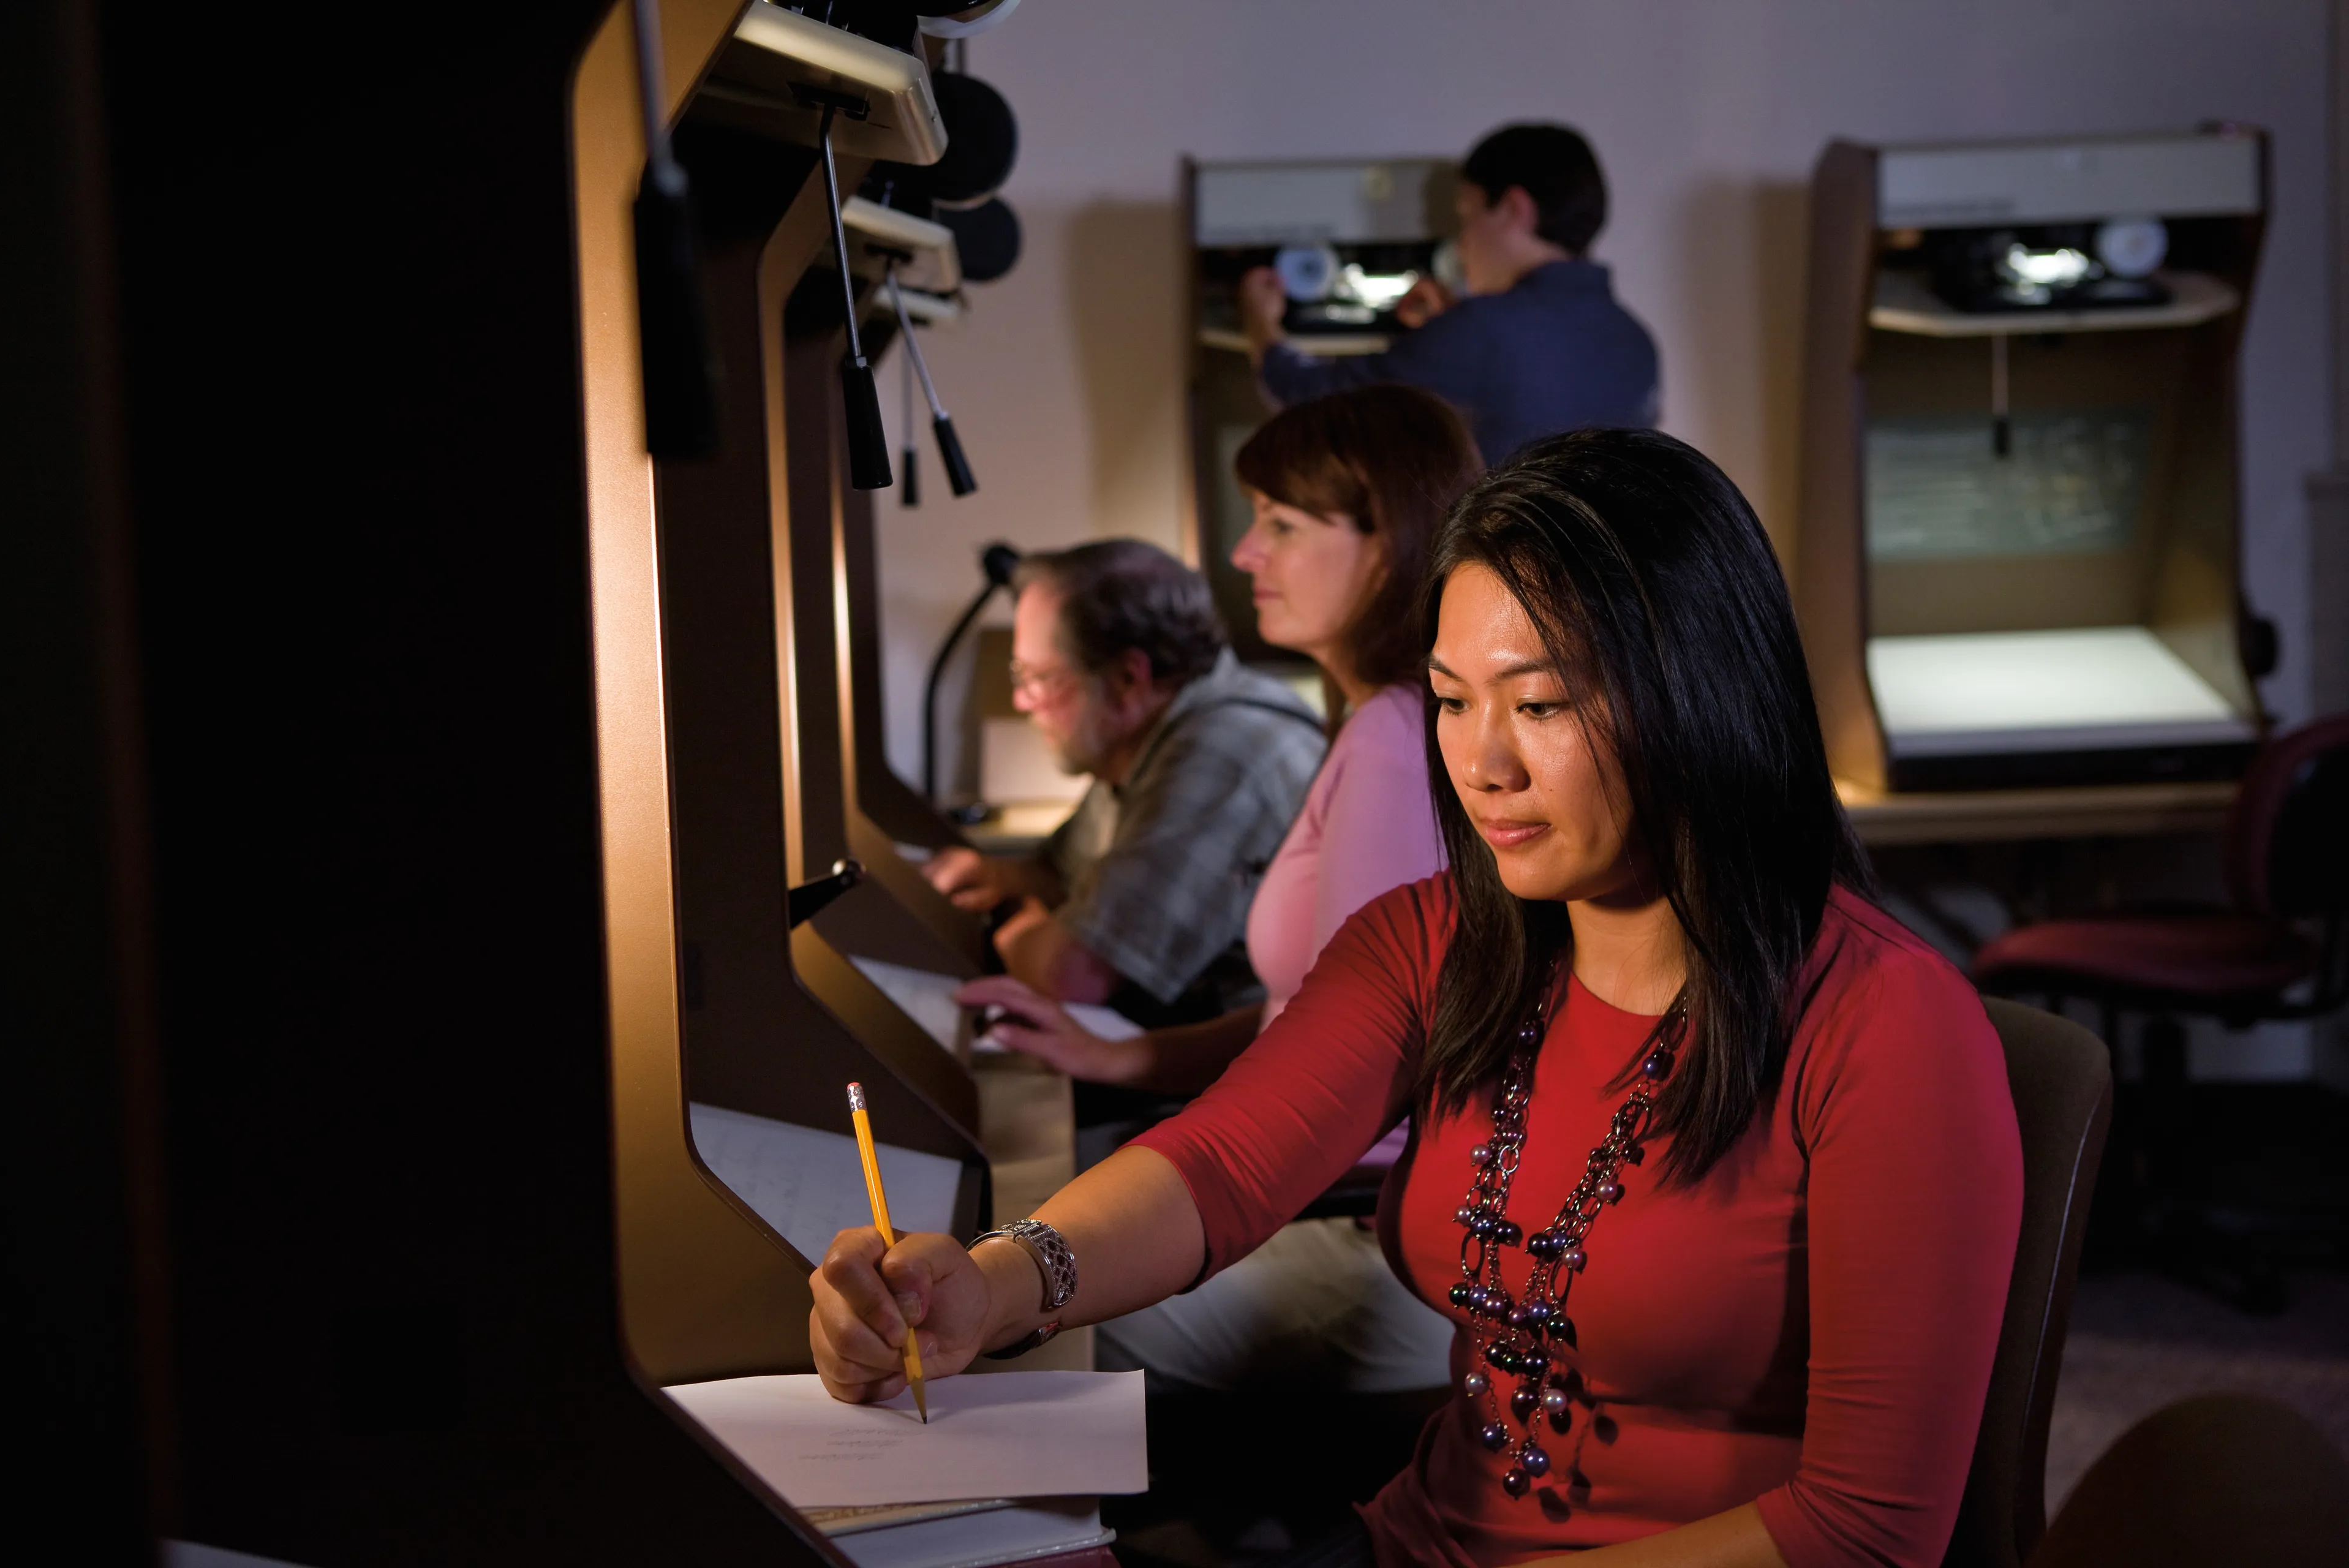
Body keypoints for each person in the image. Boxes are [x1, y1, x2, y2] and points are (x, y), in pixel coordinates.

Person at [816, 428, 2024, 1568]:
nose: (1483, 762)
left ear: (1697, 693)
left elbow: (1869, 1528)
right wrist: (993, 1281)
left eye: (1540, 703)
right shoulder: (1438, 935)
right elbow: (1224, 1164)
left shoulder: (1889, 1026)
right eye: (1452, 699)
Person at [959, 385, 1482, 1396]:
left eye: (1280, 525)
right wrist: (1133, 1056)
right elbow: (1321, 1020)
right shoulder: (1379, 723)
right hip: (1339, 1197)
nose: (1246, 556)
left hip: (1363, 1231)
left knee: (1015, 1357)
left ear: (1388, 542)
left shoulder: (1387, 740)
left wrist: (1026, 1272)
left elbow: (1341, 1087)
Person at [922, 539, 1322, 1030]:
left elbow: (1071, 975)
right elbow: (1064, 873)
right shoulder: (1144, 742)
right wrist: (996, 877)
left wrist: (1017, 927)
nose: (1023, 701)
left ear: (1128, 679)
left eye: (1039, 677)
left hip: (1228, 1077)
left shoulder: (1222, 757)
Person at [1240, 123, 1659, 467]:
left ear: (1514, 208)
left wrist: (1261, 322)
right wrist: (1450, 327)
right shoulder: (1638, 344)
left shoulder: (1483, 330)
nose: (1462, 245)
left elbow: (1314, 406)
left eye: (1467, 217)